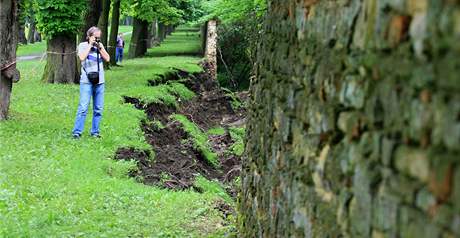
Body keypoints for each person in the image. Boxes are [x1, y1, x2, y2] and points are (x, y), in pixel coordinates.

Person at [72, 26, 110, 139]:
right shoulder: (83, 45)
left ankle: (95, 132)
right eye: (95, 37)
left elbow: (107, 59)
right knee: (83, 107)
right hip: (86, 81)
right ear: (89, 36)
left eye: (99, 37)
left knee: (98, 109)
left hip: (100, 81)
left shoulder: (100, 45)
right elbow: (82, 57)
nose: (97, 39)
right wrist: (90, 44)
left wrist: (100, 48)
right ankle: (77, 132)